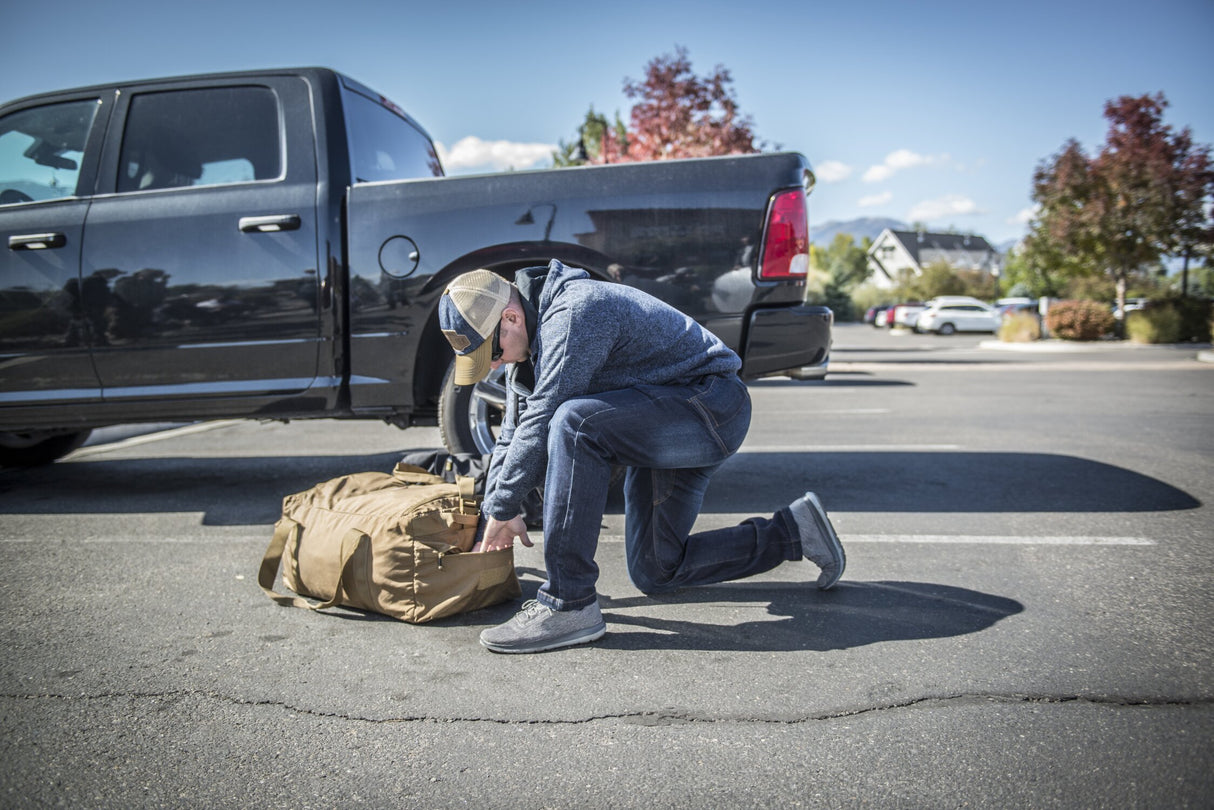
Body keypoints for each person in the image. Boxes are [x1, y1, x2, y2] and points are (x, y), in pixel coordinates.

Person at [438, 259, 845, 654]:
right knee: (657, 570)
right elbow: (511, 434)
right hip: (659, 414)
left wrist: (505, 504)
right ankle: (794, 531)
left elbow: (544, 418)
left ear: (510, 317)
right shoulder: (525, 344)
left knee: (574, 423)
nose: (493, 364)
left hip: (710, 407)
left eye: (491, 352)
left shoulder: (577, 310)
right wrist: (495, 510)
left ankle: (568, 603)